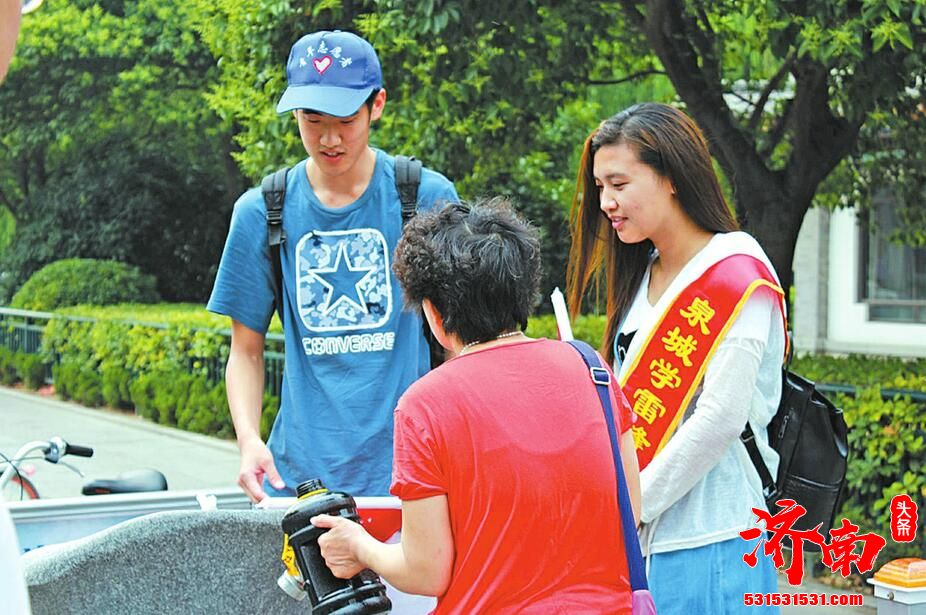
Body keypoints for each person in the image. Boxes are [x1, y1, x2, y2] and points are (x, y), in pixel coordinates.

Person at [311, 199, 641, 614]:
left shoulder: (425, 405)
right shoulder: (591, 369)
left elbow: (426, 571)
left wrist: (360, 546)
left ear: (433, 312)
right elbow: (631, 508)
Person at [208, 30, 458, 501]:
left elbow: (459, 343)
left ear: (376, 105)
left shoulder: (427, 197)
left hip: (414, 472)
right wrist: (248, 442)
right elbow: (245, 351)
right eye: (311, 118)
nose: (328, 138)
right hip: (298, 476)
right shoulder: (261, 211)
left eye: (344, 119)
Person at [567, 103, 785, 614]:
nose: (606, 203)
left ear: (671, 177)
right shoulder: (640, 273)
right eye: (600, 188)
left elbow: (720, 418)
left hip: (717, 542)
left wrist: (634, 505)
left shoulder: (735, 271)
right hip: (641, 550)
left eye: (619, 184)